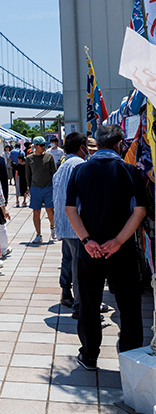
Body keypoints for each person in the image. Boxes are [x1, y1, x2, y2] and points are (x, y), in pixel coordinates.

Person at [65, 124, 147, 371]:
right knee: (129, 305)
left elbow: (70, 210)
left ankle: (89, 355)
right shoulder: (130, 171)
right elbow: (140, 211)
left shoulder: (80, 171)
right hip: (122, 250)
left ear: (96, 144)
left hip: (90, 251)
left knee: (89, 304)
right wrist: (118, 241)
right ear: (119, 144)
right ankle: (131, 355)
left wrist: (86, 241)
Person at [53, 132, 88, 316]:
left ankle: (66, 293)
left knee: (68, 259)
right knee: (78, 265)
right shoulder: (82, 166)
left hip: (63, 224)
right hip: (77, 226)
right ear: (82, 148)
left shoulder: (62, 167)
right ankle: (79, 306)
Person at [26, 136, 56, 244]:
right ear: (35, 146)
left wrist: (55, 186)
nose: (44, 147)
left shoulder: (49, 157)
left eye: (44, 145)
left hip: (48, 186)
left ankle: (53, 227)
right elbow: (28, 175)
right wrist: (29, 187)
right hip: (35, 187)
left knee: (50, 210)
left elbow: (54, 172)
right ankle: (38, 234)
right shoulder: (29, 159)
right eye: (42, 145)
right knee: (36, 212)